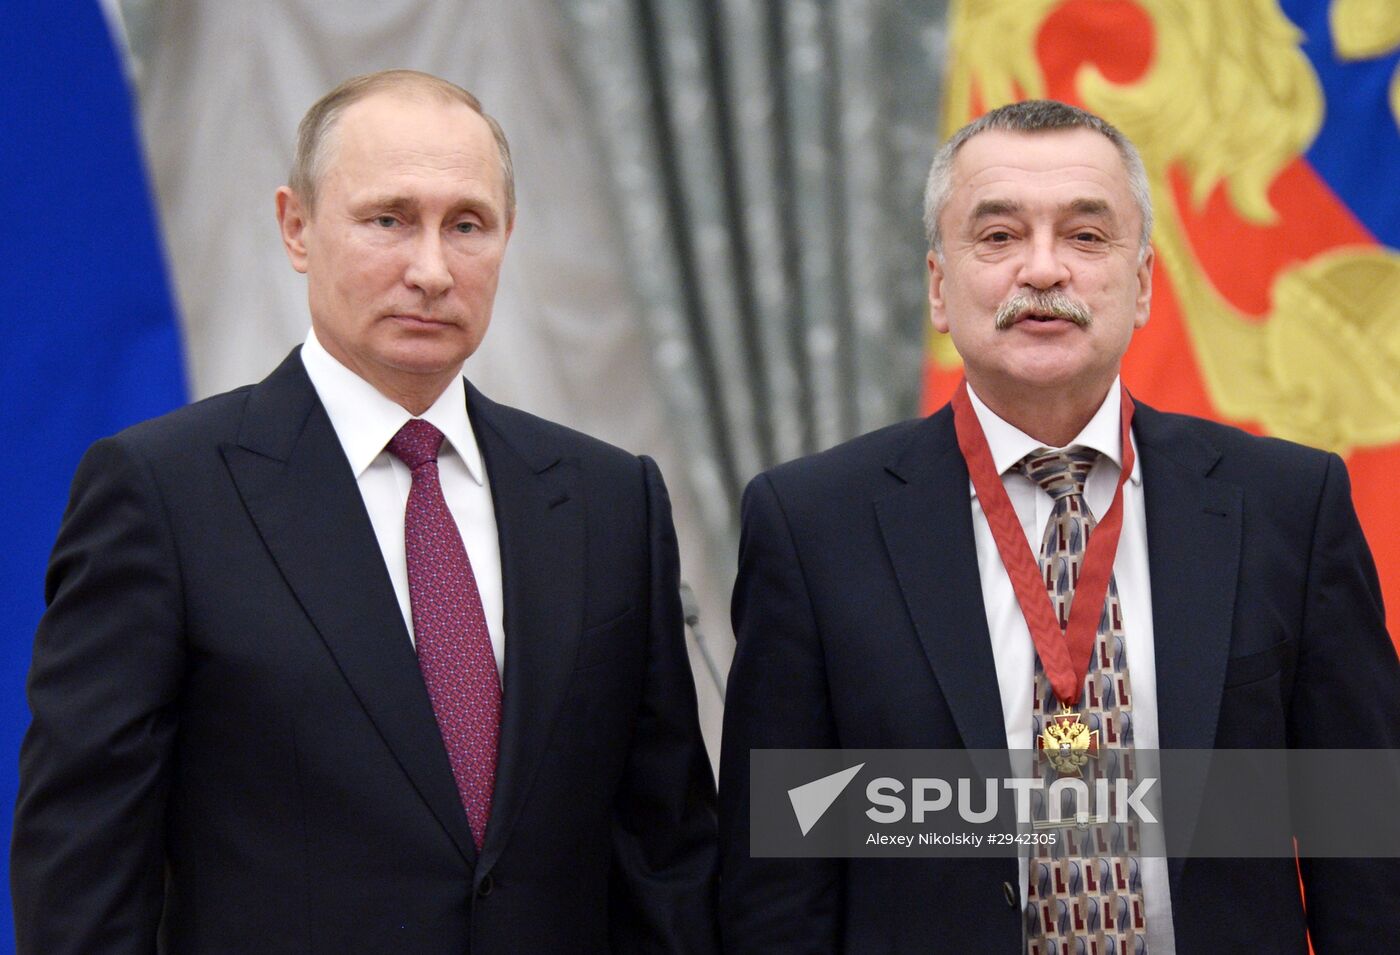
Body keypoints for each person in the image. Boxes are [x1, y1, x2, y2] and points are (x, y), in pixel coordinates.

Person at [12, 69, 719, 954]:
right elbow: (82, 867)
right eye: (388, 220)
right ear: (296, 227)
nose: (430, 269)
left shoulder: (610, 501)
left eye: (467, 225)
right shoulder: (163, 493)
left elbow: (666, 853)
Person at [718, 99, 1400, 952]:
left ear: (1144, 281)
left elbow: (1368, 849)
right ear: (939, 284)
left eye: (1085, 236)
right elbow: (777, 884)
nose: (1043, 270)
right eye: (998, 236)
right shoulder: (813, 525)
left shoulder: (1287, 508)